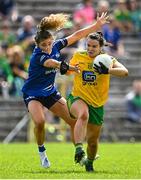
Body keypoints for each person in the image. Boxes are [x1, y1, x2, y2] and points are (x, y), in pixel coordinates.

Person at [21, 13, 109, 168]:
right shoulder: (38, 56)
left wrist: (96, 26)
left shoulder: (55, 46)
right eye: (44, 45)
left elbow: (76, 35)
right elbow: (51, 63)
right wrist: (68, 67)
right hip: (33, 93)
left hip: (49, 92)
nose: (47, 48)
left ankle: (79, 153)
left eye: (49, 44)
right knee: (40, 121)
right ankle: (42, 153)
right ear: (37, 45)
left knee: (74, 122)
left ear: (52, 41)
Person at [67, 31, 128, 172]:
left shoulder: (107, 59)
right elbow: (68, 71)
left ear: (100, 47)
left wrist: (108, 71)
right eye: (88, 45)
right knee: (83, 115)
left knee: (93, 142)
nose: (90, 49)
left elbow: (125, 72)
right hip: (77, 97)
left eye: (94, 46)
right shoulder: (78, 56)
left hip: (97, 104)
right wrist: (65, 68)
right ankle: (78, 149)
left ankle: (89, 162)